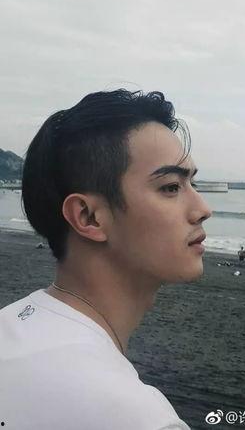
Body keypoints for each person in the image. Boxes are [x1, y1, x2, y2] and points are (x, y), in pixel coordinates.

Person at [0, 89, 212, 429]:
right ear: (88, 217)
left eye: (193, 183)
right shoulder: (139, 418)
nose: (203, 209)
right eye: (171, 187)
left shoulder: (10, 326)